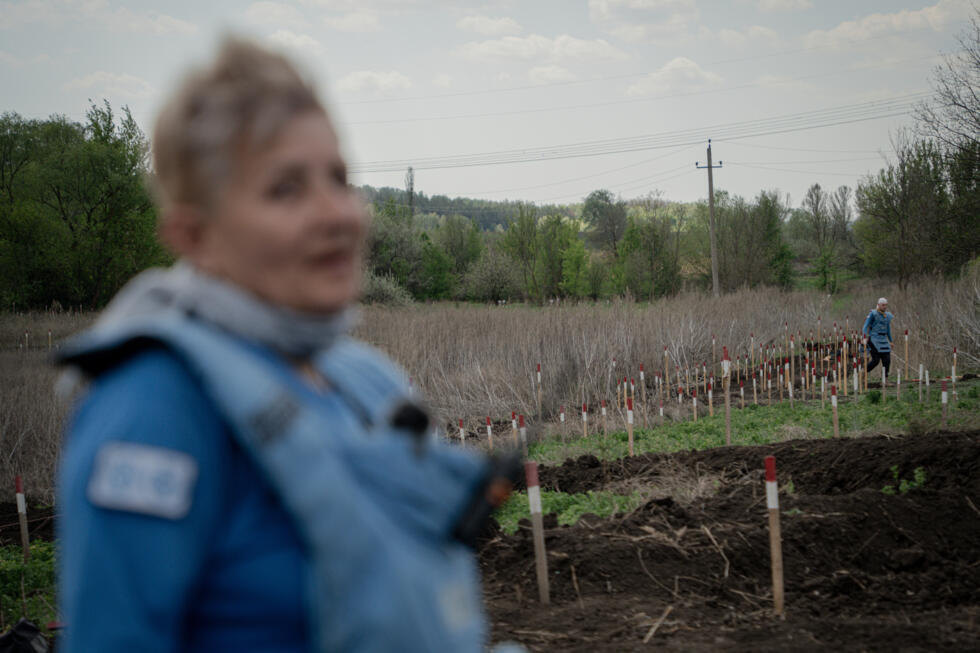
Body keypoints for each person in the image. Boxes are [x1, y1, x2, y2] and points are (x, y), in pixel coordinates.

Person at [56, 37, 517, 653]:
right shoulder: (154, 411)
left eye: (339, 179)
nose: (338, 214)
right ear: (194, 235)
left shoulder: (368, 379)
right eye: (285, 189)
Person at [863, 297, 894, 379]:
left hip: (884, 339)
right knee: (876, 360)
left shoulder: (887, 316)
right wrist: (864, 337)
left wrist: (891, 341)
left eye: (886, 305)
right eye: (883, 305)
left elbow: (888, 329)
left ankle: (885, 379)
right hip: (873, 339)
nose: (885, 307)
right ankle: (863, 372)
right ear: (879, 305)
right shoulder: (873, 314)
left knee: (887, 360)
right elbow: (865, 326)